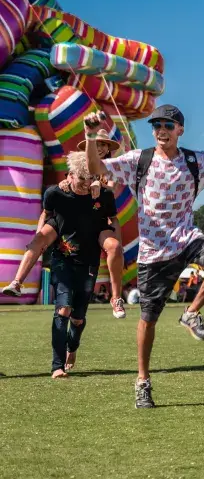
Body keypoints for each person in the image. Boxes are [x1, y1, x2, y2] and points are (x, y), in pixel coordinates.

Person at [84, 105, 204, 409]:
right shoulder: (139, 160)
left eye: (168, 125)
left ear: (179, 130)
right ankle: (143, 381)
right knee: (148, 319)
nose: (161, 130)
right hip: (152, 253)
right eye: (156, 125)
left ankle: (191, 312)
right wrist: (91, 136)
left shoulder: (194, 160)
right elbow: (97, 169)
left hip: (186, 239)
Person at [3, 129, 127, 320]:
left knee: (115, 247)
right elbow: (68, 181)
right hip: (69, 216)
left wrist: (98, 185)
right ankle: (17, 283)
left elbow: (110, 190)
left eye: (104, 145)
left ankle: (116, 298)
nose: (100, 148)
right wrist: (66, 183)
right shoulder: (79, 162)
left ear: (109, 149)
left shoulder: (110, 168)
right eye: (97, 143)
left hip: (97, 218)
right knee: (39, 239)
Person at [41, 153, 117, 378]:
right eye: (80, 178)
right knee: (62, 308)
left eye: (89, 178)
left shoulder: (103, 196)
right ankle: (57, 366)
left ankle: (72, 348)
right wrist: (39, 239)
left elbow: (113, 220)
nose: (85, 183)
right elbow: (46, 215)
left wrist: (115, 245)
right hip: (62, 259)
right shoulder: (56, 193)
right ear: (70, 175)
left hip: (89, 262)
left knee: (78, 317)